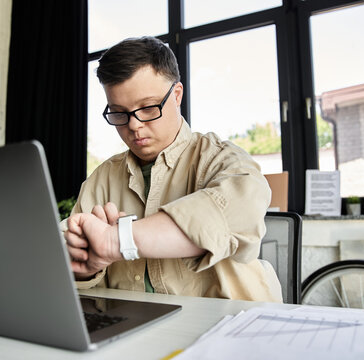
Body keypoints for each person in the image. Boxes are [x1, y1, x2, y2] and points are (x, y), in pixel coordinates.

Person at [63, 36, 282, 302]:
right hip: (132, 328)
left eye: (147, 108)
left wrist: (115, 240)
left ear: (176, 95)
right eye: (119, 113)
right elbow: (70, 268)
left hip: (225, 329)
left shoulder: (220, 158)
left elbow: (239, 213)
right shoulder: (102, 178)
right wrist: (86, 266)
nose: (134, 125)